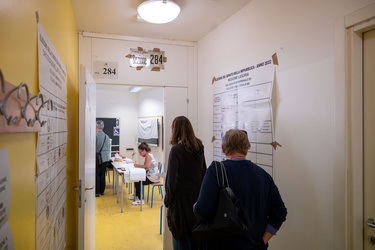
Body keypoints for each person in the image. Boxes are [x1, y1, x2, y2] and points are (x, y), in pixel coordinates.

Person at [193, 129, 287, 249]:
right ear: (248, 148)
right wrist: (263, 241)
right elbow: (280, 212)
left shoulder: (215, 171)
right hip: (254, 246)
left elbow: (202, 211)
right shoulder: (263, 175)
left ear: (222, 148)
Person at [164, 116, 207, 250]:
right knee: (195, 236)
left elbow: (170, 180)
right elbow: (204, 172)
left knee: (181, 237)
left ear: (175, 130)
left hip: (180, 201)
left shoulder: (176, 150)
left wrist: (168, 200)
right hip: (197, 198)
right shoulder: (199, 147)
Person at [96, 120, 111, 197]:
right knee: (102, 174)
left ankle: (97, 191)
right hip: (105, 158)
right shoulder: (107, 136)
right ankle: (102, 191)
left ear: (96, 127)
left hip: (97, 158)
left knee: (96, 174)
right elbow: (108, 148)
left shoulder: (95, 136)